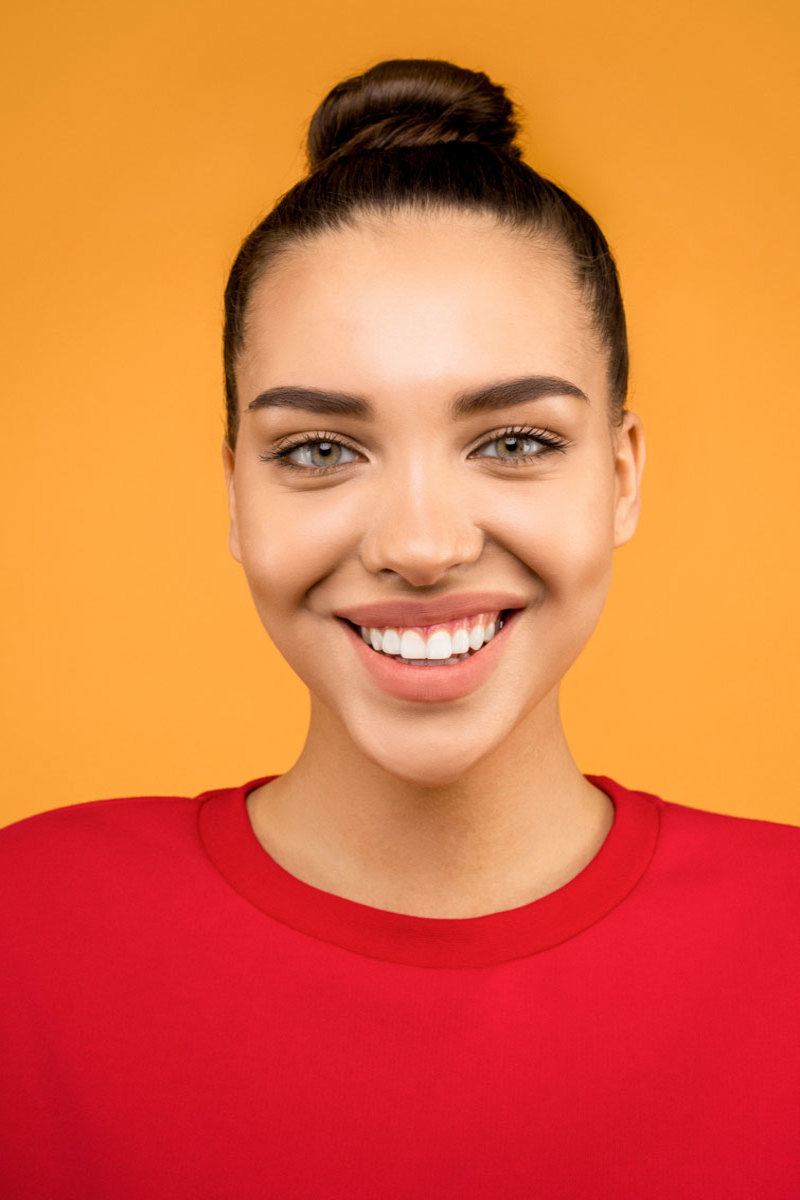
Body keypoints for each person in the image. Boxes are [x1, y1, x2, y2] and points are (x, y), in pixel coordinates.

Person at [1, 57, 798, 1200]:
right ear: (234, 494)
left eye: (514, 441)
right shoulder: (24, 937)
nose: (419, 547)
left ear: (620, 476)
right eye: (319, 450)